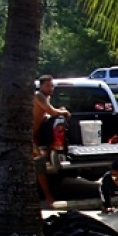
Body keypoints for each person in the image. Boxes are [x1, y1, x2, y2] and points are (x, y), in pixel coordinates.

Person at [33, 75, 71, 208]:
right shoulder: (38, 96)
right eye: (48, 86)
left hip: (38, 135)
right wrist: (64, 111)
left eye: (52, 86)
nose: (51, 88)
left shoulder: (46, 97)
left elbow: (47, 113)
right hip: (29, 136)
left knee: (41, 164)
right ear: (41, 86)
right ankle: (48, 196)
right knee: (40, 165)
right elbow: (52, 112)